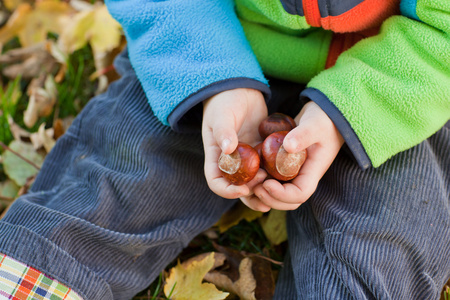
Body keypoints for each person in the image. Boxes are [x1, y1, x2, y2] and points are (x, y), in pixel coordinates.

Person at [0, 0, 449, 299]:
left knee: (382, 239)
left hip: (392, 89)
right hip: (208, 54)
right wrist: (212, 77)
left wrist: (351, 111)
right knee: (124, 170)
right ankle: (33, 278)